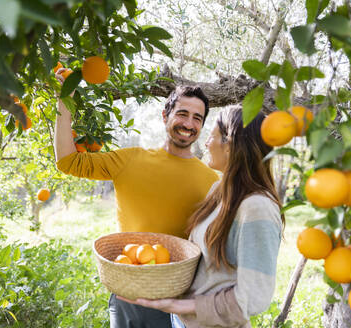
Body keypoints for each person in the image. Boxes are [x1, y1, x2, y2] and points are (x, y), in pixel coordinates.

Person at [54, 68, 219, 328]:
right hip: (127, 293)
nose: (189, 124)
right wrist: (64, 100)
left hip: (179, 300)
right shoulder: (129, 160)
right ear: (165, 115)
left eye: (197, 118)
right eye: (182, 114)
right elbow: (67, 160)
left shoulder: (212, 181)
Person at [118, 106, 284, 328]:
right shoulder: (218, 190)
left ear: (230, 145)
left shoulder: (257, 207)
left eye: (212, 136)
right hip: (183, 322)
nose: (205, 143)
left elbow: (255, 297)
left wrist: (183, 306)